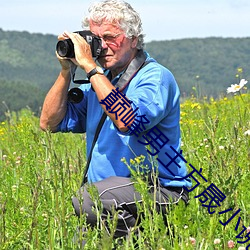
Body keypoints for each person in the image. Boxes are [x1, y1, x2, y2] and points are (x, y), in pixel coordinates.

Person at [40, 0, 192, 244]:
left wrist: (90, 67)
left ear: (133, 39)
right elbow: (49, 123)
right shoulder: (99, 83)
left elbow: (128, 120)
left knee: (88, 199)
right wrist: (66, 70)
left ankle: (146, 241)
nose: (102, 47)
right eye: (96, 39)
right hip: (111, 199)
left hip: (159, 191)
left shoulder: (154, 77)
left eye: (110, 37)